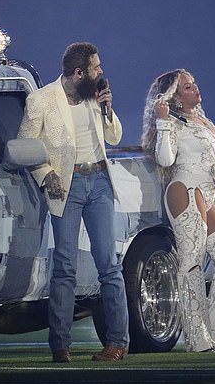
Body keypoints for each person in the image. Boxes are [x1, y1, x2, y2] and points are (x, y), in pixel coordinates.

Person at [17, 42, 130, 363]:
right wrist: (45, 173)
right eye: (96, 68)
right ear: (77, 73)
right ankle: (60, 345)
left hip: (100, 183)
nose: (101, 72)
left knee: (109, 264)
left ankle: (118, 343)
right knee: (64, 266)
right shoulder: (41, 100)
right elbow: (25, 143)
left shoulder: (96, 95)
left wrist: (108, 110)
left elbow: (115, 137)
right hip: (66, 185)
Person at [142, 69, 215, 352]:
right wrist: (162, 122)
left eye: (194, 84)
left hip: (208, 193)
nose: (195, 89)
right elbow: (165, 158)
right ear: (175, 97)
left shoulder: (201, 118)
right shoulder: (173, 122)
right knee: (192, 262)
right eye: (187, 87)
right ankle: (196, 338)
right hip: (184, 189)